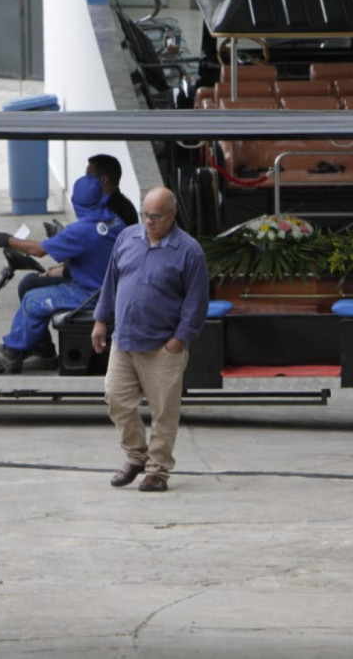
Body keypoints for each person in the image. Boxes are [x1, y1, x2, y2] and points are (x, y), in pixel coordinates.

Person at [91, 187, 209, 492]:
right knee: (116, 399)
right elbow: (111, 282)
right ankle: (136, 456)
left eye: (156, 216)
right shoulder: (127, 238)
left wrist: (179, 339)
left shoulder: (189, 250)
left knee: (163, 412)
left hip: (162, 346)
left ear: (172, 215)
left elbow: (196, 301)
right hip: (124, 340)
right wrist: (101, 321)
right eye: (145, 214)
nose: (149, 221)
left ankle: (157, 470)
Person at [0, 174, 124, 373]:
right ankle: (44, 353)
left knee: (33, 300)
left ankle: (11, 353)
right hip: (104, 285)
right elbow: (98, 256)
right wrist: (63, 270)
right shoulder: (114, 220)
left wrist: (8, 240)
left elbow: (39, 250)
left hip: (92, 293)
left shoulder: (83, 230)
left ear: (76, 202)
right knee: (31, 284)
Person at [16, 154, 140, 301]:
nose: (85, 181)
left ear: (102, 180)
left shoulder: (110, 213)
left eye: (88, 176)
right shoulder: (119, 206)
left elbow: (99, 251)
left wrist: (64, 270)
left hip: (96, 284)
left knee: (29, 285)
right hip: (99, 275)